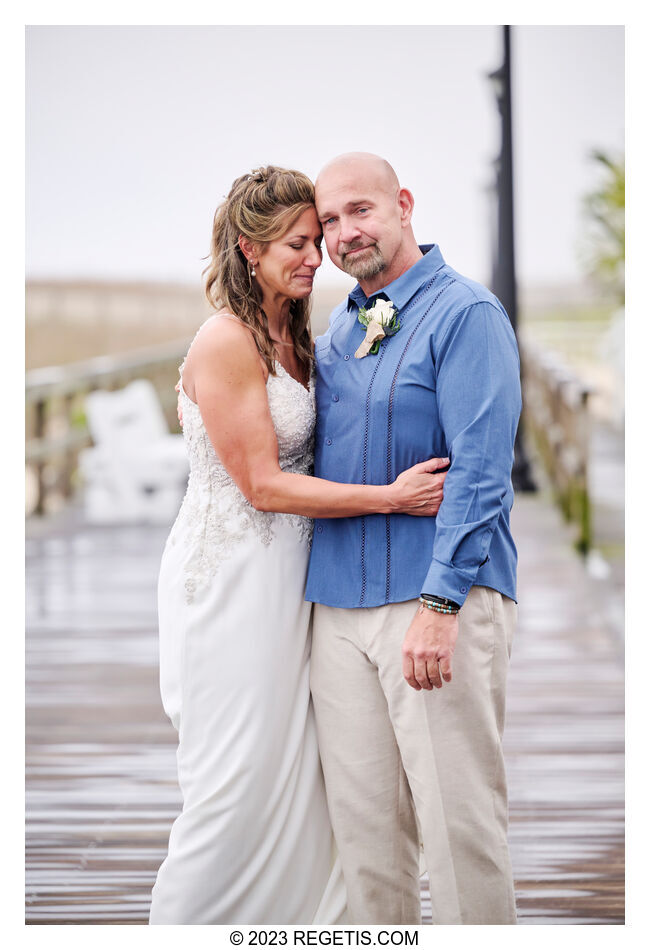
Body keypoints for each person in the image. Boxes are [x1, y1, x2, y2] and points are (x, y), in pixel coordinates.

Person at [148, 165, 449, 925]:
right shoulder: (225, 340)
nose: (314, 257)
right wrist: (390, 499)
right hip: (232, 585)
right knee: (236, 781)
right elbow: (263, 485)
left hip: (296, 585)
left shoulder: (300, 337)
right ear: (249, 248)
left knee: (306, 784)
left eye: (316, 242)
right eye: (296, 244)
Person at [307, 152, 522, 925]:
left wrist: (440, 603)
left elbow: (482, 471)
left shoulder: (467, 314)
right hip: (335, 610)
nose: (343, 233)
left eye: (359, 211)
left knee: (458, 829)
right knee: (367, 842)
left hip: (435, 602)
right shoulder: (340, 325)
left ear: (402, 204)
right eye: (328, 221)